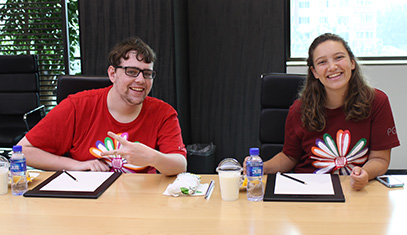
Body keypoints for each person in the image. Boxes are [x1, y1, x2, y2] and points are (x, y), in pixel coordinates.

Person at [245, 33, 400, 190]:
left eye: (339, 57)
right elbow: (289, 157)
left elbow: (380, 159)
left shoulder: (377, 102)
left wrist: (365, 173)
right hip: (308, 189)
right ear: (314, 72)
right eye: (322, 62)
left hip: (356, 189)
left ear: (352, 63)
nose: (332, 67)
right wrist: (260, 167)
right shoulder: (299, 109)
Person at [18, 36, 187, 176]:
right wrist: (75, 165)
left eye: (147, 73)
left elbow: (180, 165)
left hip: (140, 204)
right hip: (87, 202)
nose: (141, 80)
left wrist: (152, 157)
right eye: (132, 72)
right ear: (113, 74)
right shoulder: (77, 106)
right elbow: (23, 151)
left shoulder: (163, 113)